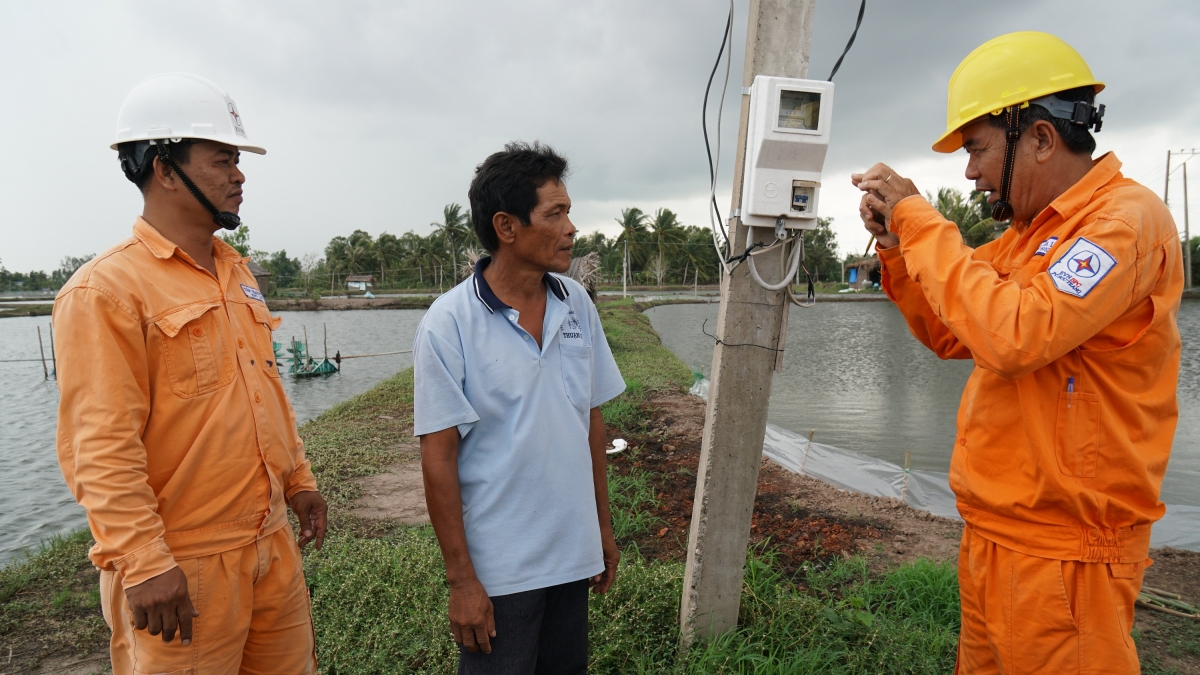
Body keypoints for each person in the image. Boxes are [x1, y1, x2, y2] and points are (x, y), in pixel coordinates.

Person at [851, 32, 1182, 673]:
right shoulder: (1031, 237)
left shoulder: (1121, 223)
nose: (969, 171)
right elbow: (954, 330)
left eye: (976, 148)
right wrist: (897, 248)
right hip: (997, 535)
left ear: (1038, 137)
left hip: (1067, 556)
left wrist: (921, 220)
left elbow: (1013, 335)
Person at [54, 73, 328, 674]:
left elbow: (266, 390)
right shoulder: (106, 290)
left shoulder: (238, 273)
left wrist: (298, 479)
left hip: (270, 546)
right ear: (164, 167)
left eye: (238, 159)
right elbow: (100, 445)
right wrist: (145, 561)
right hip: (185, 561)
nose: (239, 174)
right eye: (222, 158)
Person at [414, 142, 626, 673]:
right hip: (500, 573)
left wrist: (602, 529)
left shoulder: (576, 303)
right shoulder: (449, 323)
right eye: (555, 214)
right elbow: (437, 457)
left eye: (569, 211)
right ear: (506, 227)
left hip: (572, 558)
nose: (571, 228)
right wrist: (462, 580)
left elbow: (590, 423)